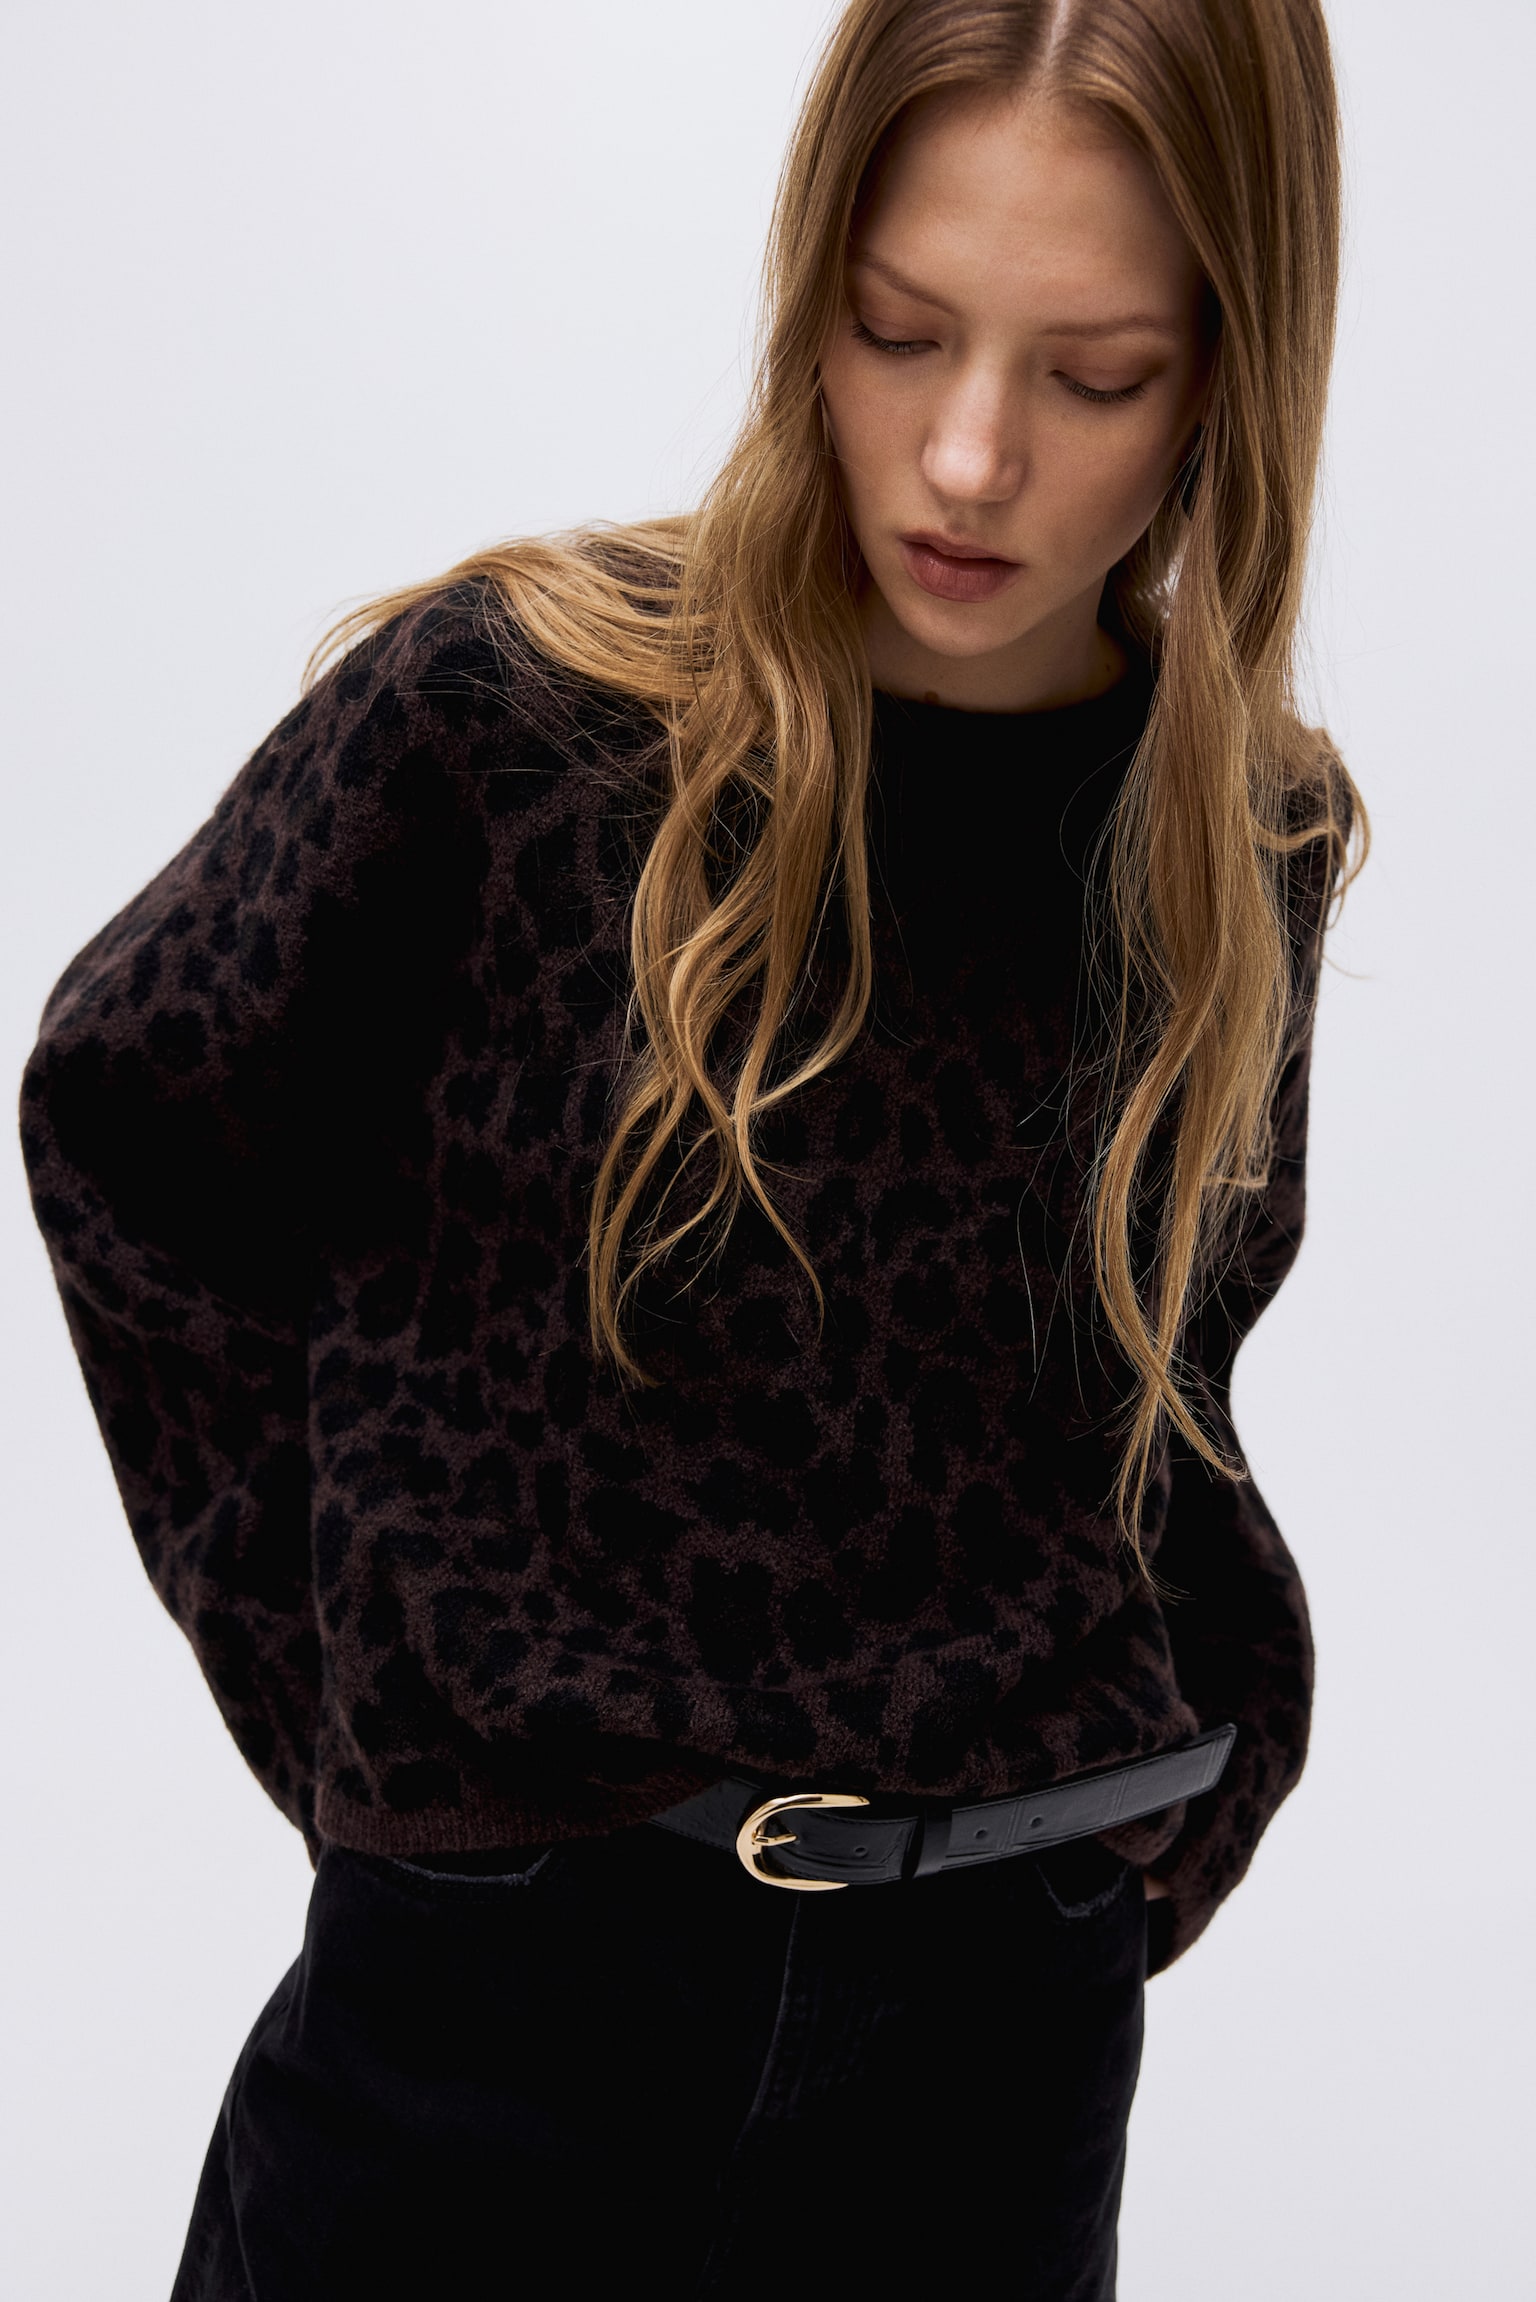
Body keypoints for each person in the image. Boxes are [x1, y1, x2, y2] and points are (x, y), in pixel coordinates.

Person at [19, 0, 1363, 2294]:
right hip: (492, 2005)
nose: (967, 454)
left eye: (1094, 373)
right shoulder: (516, 712)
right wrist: (375, 1731)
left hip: (1001, 2041)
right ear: (809, 285)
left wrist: (1199, 1763)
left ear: (1236, 373)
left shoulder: (1243, 836)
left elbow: (1168, 1374)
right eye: (900, 328)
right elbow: (133, 1114)